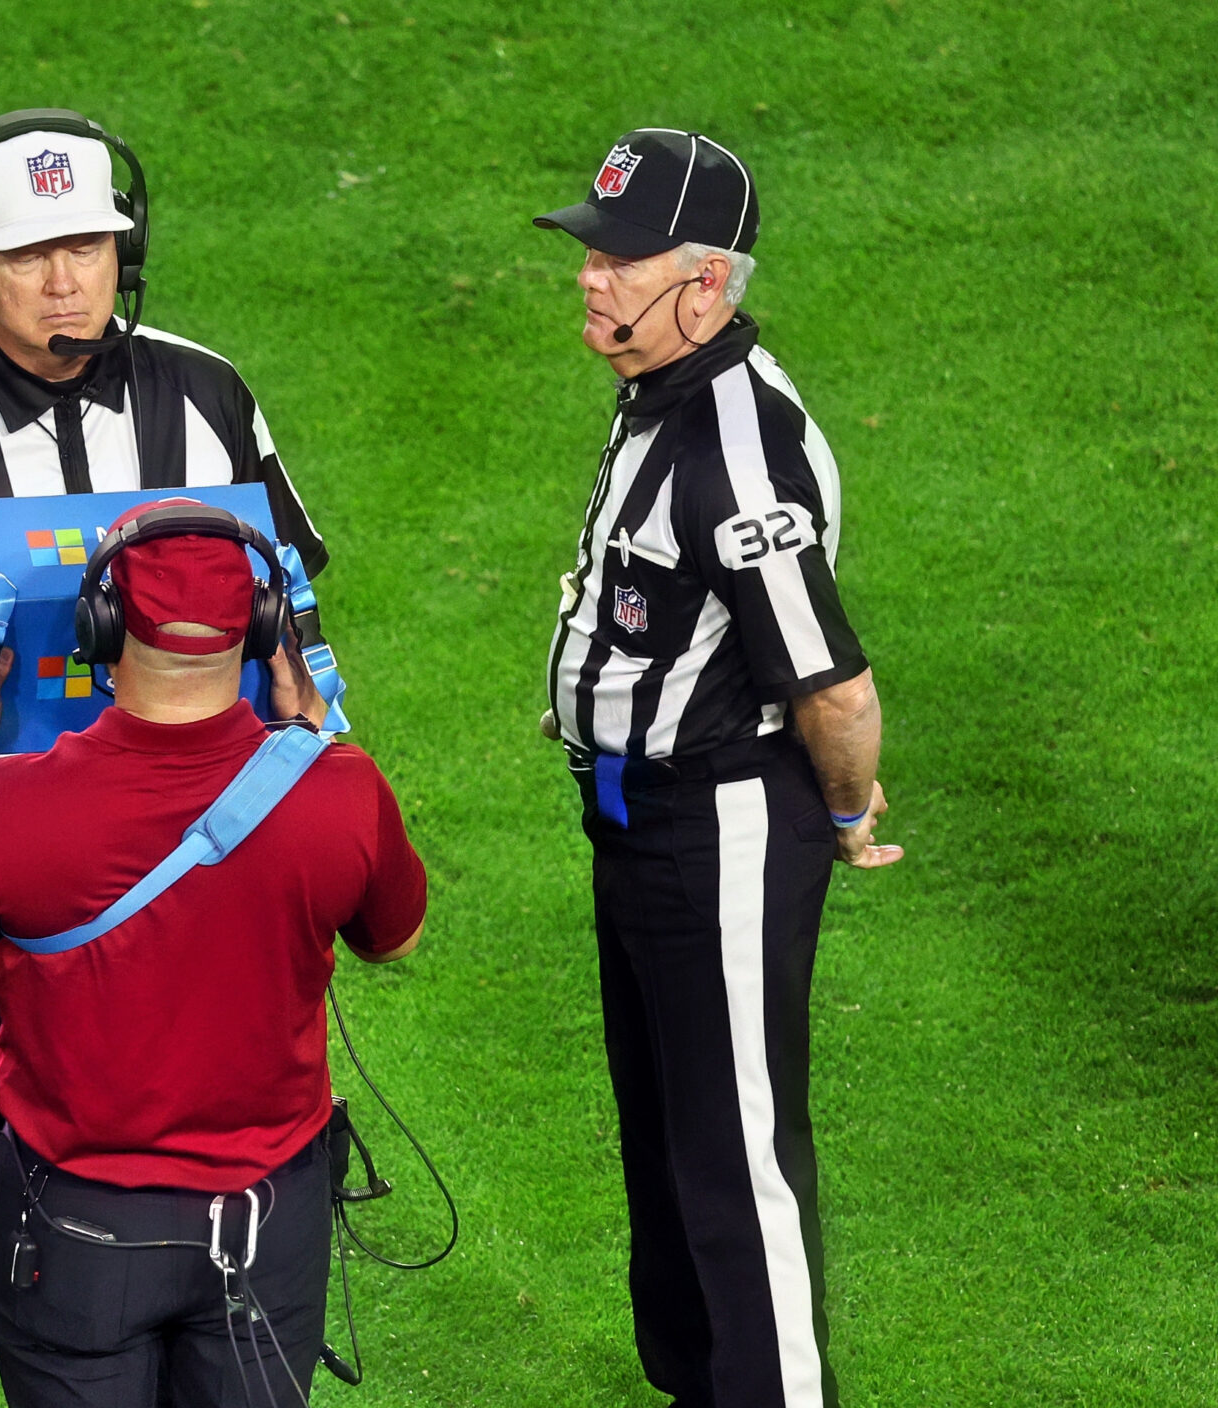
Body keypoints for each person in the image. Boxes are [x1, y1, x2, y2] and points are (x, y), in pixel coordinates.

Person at [0, 109, 333, 1407]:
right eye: (31, 252)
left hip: (195, 876)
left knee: (197, 1174)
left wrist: (304, 832)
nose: (64, 277)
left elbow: (293, 630)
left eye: (86, 244)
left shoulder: (210, 400)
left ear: (122, 247)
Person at [0, 501, 425, 1407]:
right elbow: (395, 936)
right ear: (261, 630)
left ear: (100, 624)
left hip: (73, 1241)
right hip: (266, 1232)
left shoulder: (6, 805)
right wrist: (320, 733)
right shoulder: (343, 793)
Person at [531, 128, 902, 1408]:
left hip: (722, 830)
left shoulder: (737, 447)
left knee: (738, 1165)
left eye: (620, 258)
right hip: (636, 831)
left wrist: (847, 808)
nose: (590, 274)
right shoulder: (663, 392)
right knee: (671, 1162)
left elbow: (831, 683)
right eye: (592, 245)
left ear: (705, 283)